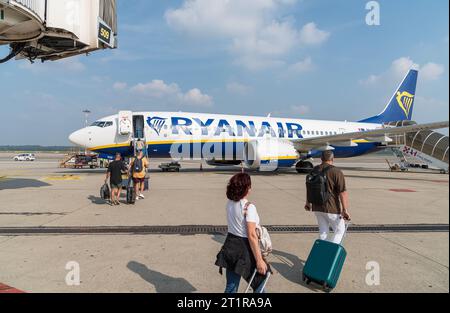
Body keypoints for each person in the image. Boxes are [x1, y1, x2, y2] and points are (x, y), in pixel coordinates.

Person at [215, 173, 269, 293]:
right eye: (249, 186)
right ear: (245, 188)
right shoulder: (249, 207)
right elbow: (251, 235)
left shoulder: (229, 203)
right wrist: (259, 260)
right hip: (244, 250)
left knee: (231, 287)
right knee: (259, 284)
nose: (251, 189)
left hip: (230, 246)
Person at [305, 150, 351, 244]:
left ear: (321, 159)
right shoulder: (336, 171)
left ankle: (321, 255)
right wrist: (345, 210)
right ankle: (330, 254)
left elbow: (309, 187)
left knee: (323, 232)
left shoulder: (314, 170)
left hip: (317, 206)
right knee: (340, 232)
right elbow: (342, 192)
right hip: (332, 208)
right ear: (332, 159)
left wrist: (307, 202)